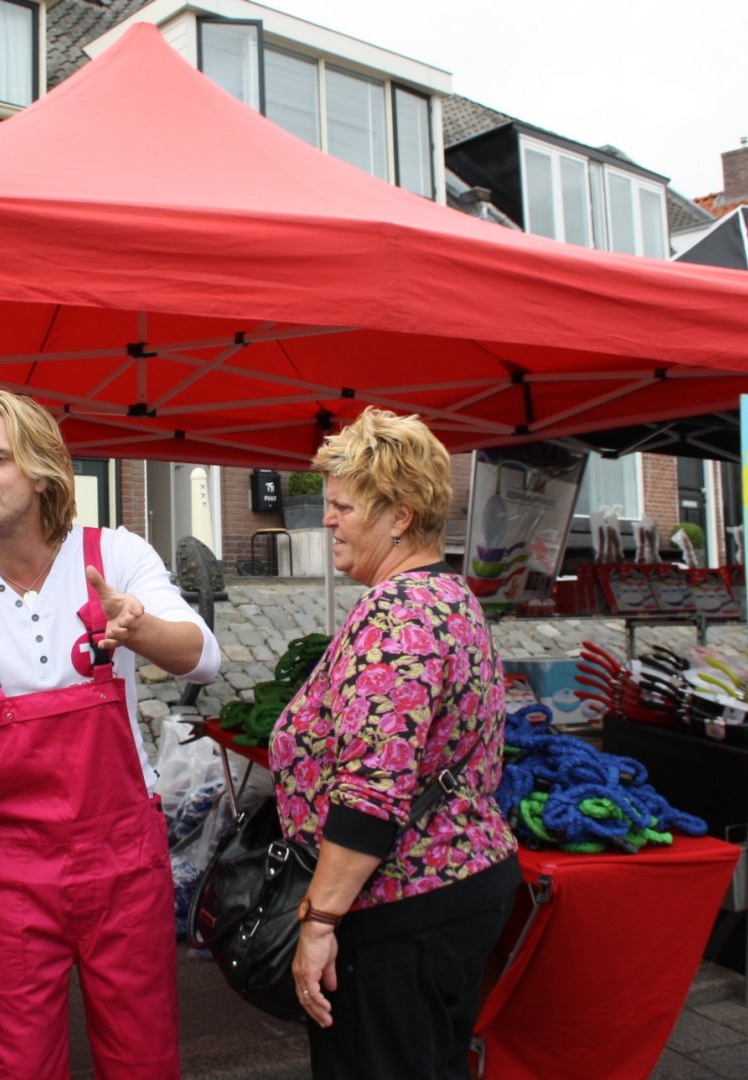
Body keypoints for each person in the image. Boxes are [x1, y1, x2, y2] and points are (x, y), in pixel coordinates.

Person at [0, 388, 221, 1079]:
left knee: (143, 1057)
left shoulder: (115, 554)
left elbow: (204, 654)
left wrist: (139, 628)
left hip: (124, 864)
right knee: (18, 1064)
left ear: (43, 469)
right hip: (9, 873)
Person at [268, 406, 520, 1080]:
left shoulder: (397, 612)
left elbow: (371, 790)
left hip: (404, 910)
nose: (327, 520)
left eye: (343, 505)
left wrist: (319, 921)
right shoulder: (451, 594)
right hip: (462, 885)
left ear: (399, 516)